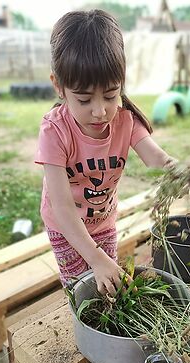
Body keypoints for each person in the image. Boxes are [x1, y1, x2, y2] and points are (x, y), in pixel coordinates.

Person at [34, 10, 176, 295]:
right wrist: (96, 258)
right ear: (59, 86)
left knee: (107, 287)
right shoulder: (54, 132)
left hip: (104, 221)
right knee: (81, 290)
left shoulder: (125, 121)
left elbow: (156, 158)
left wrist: (179, 171)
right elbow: (62, 208)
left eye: (111, 96)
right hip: (66, 228)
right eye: (84, 99)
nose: (100, 112)